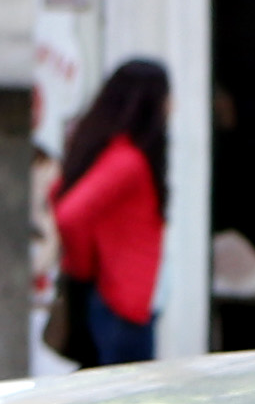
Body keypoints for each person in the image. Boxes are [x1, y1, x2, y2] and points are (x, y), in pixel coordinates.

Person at [50, 59, 170, 366]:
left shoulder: (110, 151)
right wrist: (83, 270)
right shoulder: (128, 160)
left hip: (116, 304)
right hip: (119, 307)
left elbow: (60, 194)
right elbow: (70, 215)